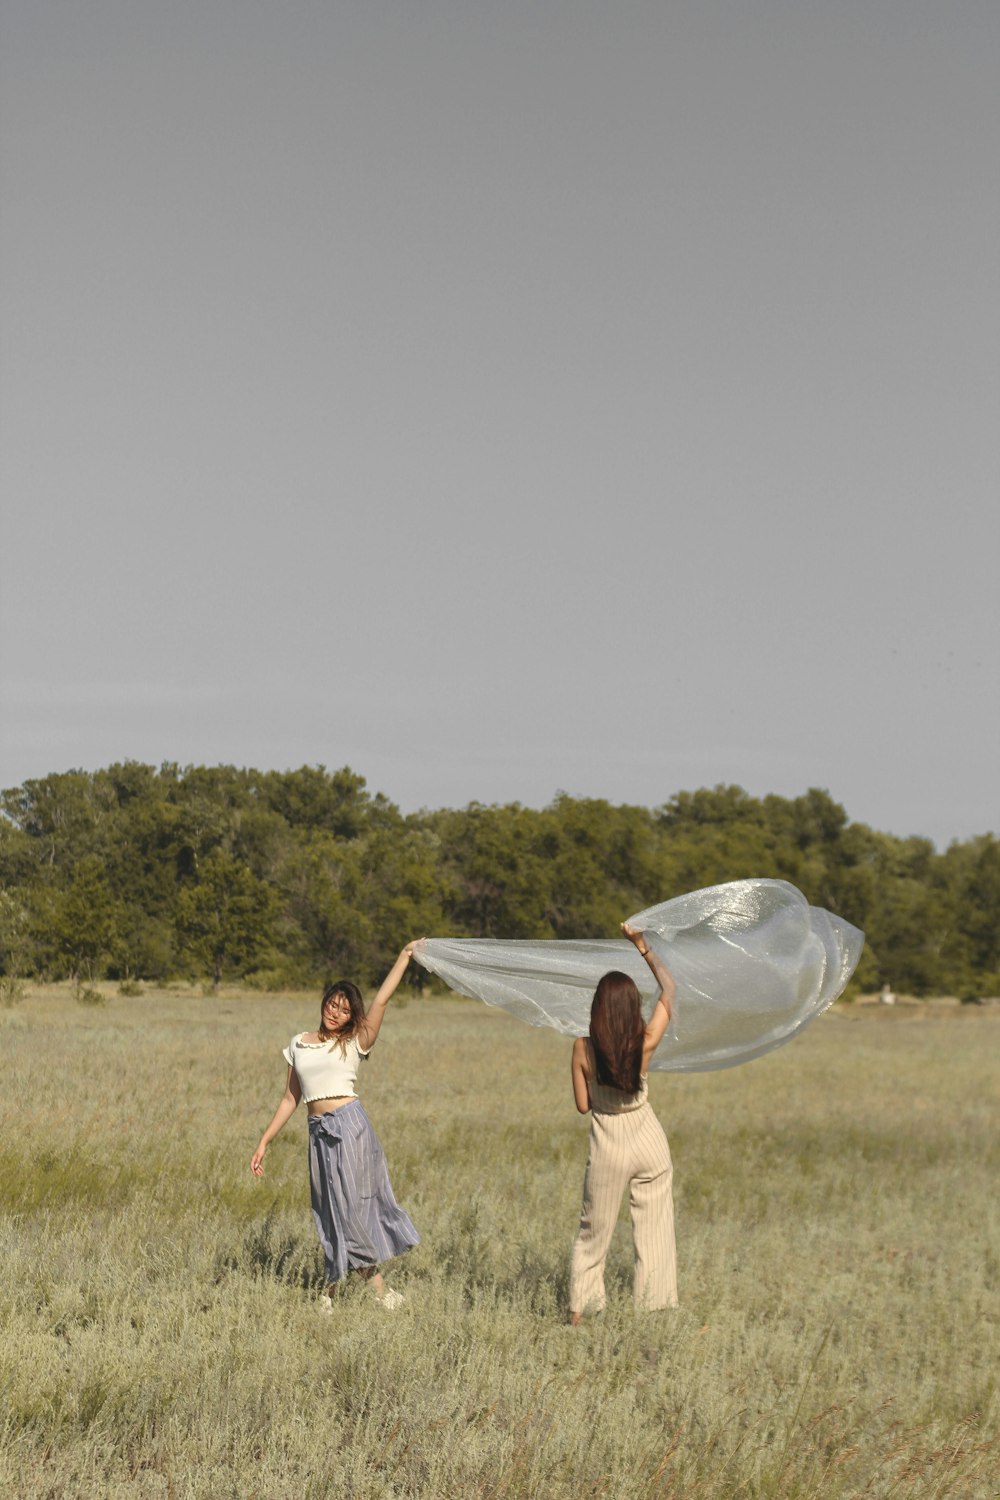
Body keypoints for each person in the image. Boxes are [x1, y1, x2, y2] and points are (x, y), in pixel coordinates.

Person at [251, 941, 423, 1311]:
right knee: (328, 1210)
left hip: (350, 1128)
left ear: (351, 1017)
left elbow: (380, 1003)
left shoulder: (355, 1041)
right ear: (324, 1003)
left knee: (351, 1210)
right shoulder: (299, 1043)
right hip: (317, 1133)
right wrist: (264, 1142)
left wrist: (404, 956)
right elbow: (289, 1099)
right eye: (332, 1004)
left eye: (345, 1010)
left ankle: (364, 1293)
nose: (336, 1012)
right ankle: (340, 1289)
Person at [568, 922, 678, 1323]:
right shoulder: (645, 1041)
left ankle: (581, 1313)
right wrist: (643, 946)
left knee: (592, 1232)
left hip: (609, 1141)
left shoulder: (582, 1048)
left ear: (597, 1009)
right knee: (654, 1232)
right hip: (648, 1136)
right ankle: (653, 1310)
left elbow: (583, 1106)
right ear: (633, 1007)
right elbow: (670, 991)